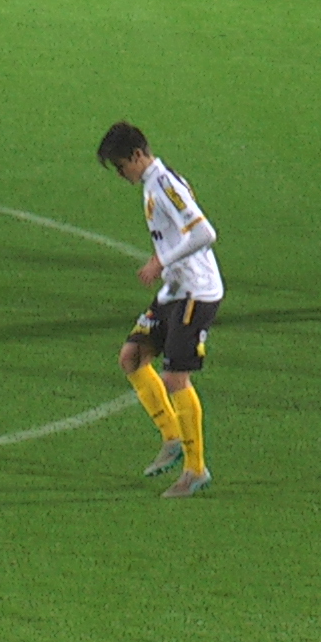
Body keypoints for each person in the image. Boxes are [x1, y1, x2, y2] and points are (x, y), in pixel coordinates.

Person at [97, 121, 220, 499]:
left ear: (137, 155)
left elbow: (205, 233)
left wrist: (160, 260)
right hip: (174, 290)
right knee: (131, 357)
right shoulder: (155, 184)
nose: (121, 175)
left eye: (121, 166)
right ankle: (172, 437)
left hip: (196, 292)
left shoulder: (165, 185)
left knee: (175, 378)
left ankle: (195, 470)